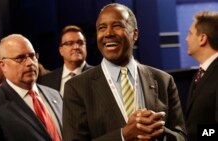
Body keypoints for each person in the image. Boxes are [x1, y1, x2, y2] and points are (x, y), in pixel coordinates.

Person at [63, 3, 186, 141]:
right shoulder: (76, 87)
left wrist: (160, 132)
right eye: (102, 28)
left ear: (135, 34)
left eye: (117, 26)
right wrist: (123, 135)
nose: (108, 33)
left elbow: (181, 136)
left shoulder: (163, 80)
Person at [0, 34, 63, 141]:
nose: (30, 63)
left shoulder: (55, 95)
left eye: (32, 56)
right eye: (20, 58)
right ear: (3, 65)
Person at [185, 11, 218, 141]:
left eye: (190, 33)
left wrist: (191, 135)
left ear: (202, 38)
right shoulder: (202, 73)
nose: (187, 39)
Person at [38, 25, 92, 97]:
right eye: (70, 43)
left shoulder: (99, 75)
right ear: (61, 50)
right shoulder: (46, 81)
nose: (76, 47)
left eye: (80, 43)